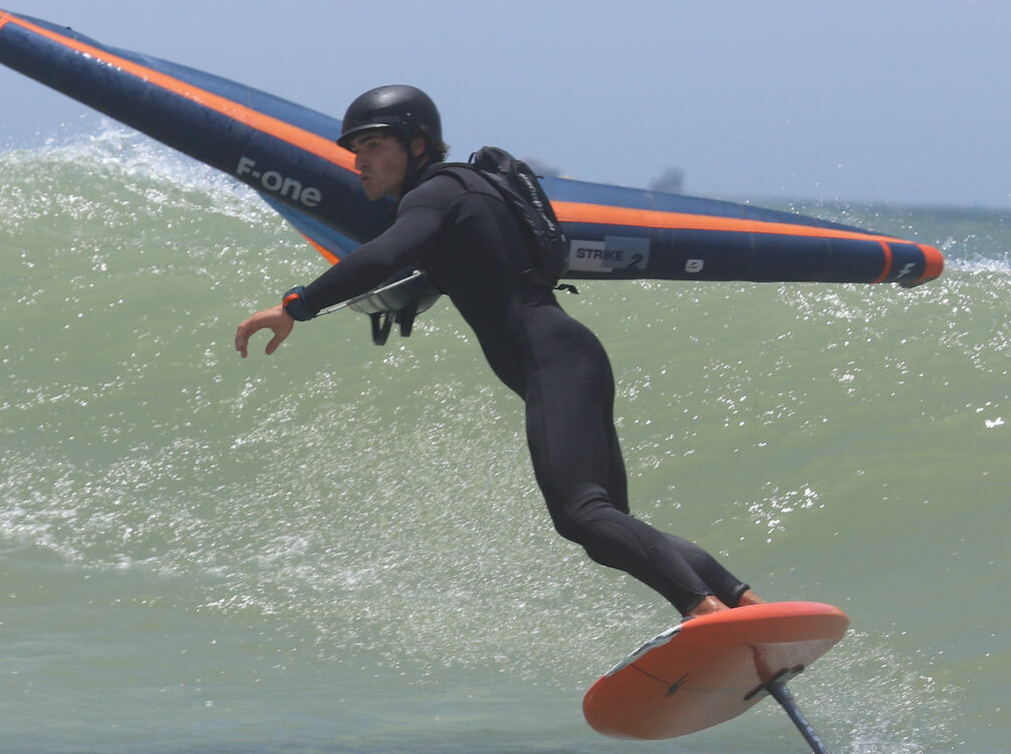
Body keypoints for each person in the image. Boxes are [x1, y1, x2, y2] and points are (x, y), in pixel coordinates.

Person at [234, 85, 760, 619]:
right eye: (355, 150)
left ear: (417, 143)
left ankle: (703, 611)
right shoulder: (466, 191)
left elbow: (386, 252)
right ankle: (741, 603)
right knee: (606, 530)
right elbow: (456, 268)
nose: (359, 161)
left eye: (372, 145)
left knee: (580, 513)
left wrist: (297, 305)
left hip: (550, 360)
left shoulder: (433, 193)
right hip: (570, 354)